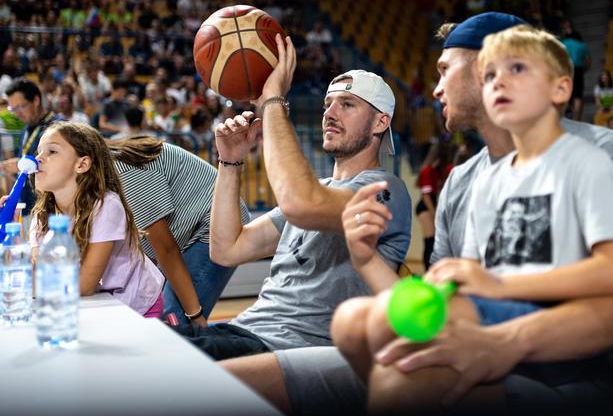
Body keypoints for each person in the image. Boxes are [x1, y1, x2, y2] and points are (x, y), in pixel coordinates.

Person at [219, 13, 613, 416]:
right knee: (303, 347)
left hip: (558, 372)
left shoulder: (599, 151)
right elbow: (437, 311)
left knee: (405, 376)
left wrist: (500, 340)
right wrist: (368, 260)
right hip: (474, 344)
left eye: (445, 70)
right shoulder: (463, 180)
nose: (435, 90)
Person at [171, 35, 412, 360]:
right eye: (328, 104)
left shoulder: (384, 189)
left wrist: (272, 102)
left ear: (380, 122)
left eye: (347, 104)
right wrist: (230, 161)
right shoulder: (318, 191)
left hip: (290, 347)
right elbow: (226, 249)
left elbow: (302, 204)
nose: (330, 113)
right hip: (247, 330)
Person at [107, 135, 250, 326]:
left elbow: (166, 249)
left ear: (82, 162)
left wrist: (194, 315)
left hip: (213, 224)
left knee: (173, 319)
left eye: (54, 152)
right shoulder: (96, 182)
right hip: (188, 230)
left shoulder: (120, 172)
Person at [29, 122, 164, 317]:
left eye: (51, 151)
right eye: (39, 151)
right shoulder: (41, 215)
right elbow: (37, 273)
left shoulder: (106, 206)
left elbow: (85, 284)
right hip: (93, 304)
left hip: (136, 307)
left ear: (82, 164)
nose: (37, 159)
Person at [3, 78, 64, 224]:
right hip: (29, 206)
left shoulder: (59, 128)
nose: (16, 113)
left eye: (20, 107)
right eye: (12, 109)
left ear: (36, 100)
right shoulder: (26, 128)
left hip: (53, 211)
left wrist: (21, 165)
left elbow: (63, 166)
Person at [415, 140, 453, 270]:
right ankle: (427, 272)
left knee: (435, 243)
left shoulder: (438, 170)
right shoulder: (427, 170)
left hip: (433, 205)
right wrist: (434, 213)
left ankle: (433, 270)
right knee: (429, 242)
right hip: (426, 207)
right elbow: (425, 196)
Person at [560, 21, 590, 120]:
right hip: (579, 70)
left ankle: (567, 117)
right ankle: (577, 118)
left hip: (566, 70)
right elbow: (588, 61)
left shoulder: (563, 44)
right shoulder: (582, 45)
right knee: (578, 95)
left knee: (567, 93)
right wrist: (584, 69)